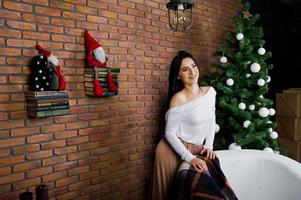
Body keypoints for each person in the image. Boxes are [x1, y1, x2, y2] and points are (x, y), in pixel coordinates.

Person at [149, 51, 237, 200]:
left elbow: (211, 120)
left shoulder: (210, 92)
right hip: (171, 151)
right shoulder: (178, 99)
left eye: (193, 66)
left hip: (196, 147)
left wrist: (209, 146)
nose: (192, 71)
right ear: (178, 75)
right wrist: (190, 158)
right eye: (185, 69)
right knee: (169, 194)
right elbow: (169, 134)